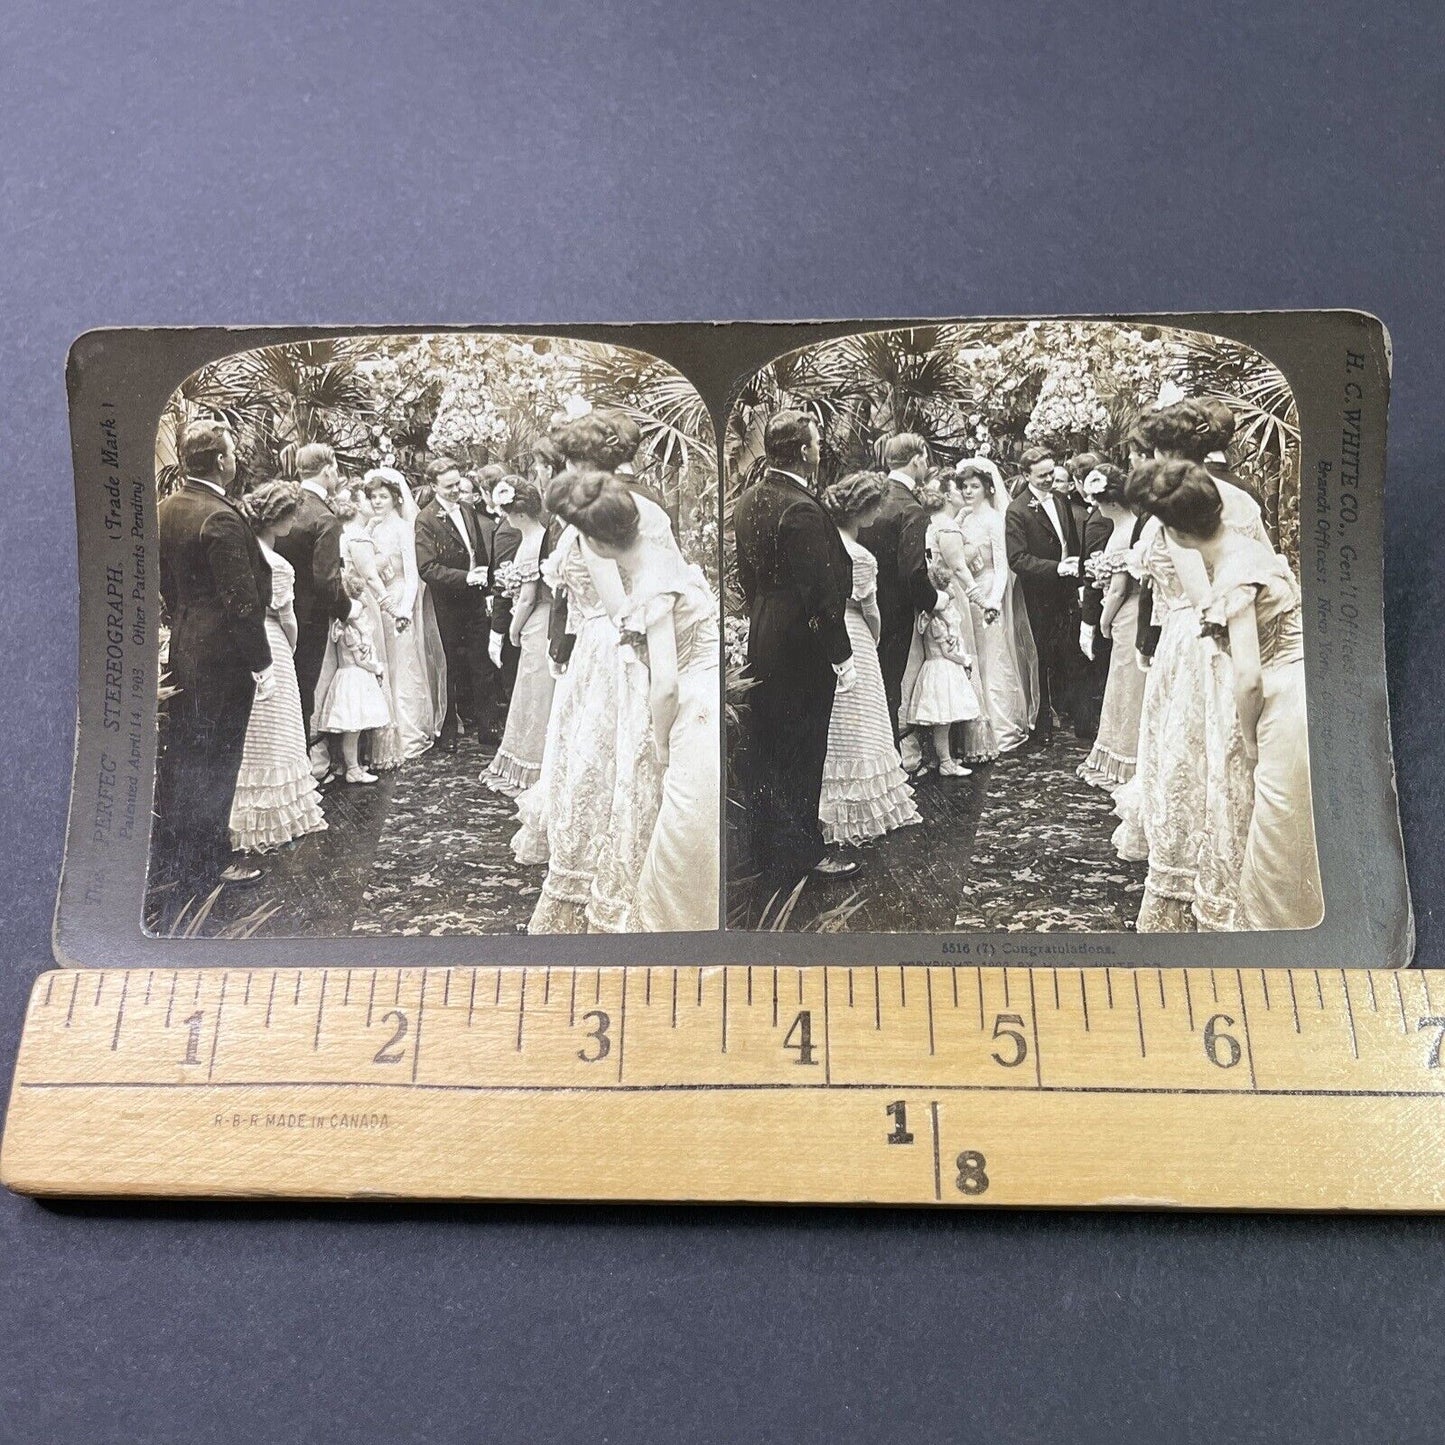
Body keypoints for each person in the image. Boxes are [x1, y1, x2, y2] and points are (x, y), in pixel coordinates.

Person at [1130, 459, 1321, 929]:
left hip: (1283, 703)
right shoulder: (1250, 548)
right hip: (1302, 689)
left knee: (1277, 837)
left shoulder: (1234, 574)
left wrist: (1251, 739)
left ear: (1175, 533)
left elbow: (1249, 676)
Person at [1112, 404, 1274, 932]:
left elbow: (1208, 598)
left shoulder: (1170, 508)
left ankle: (1193, 887)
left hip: (1196, 639)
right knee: (1222, 760)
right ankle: (1231, 877)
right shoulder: (1242, 499)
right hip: (1242, 630)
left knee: (1192, 757)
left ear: (1162, 452)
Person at [512, 410, 675, 931]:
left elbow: (620, 604)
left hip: (612, 647)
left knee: (606, 761)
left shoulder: (604, 513)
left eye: (570, 461)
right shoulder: (637, 504)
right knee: (595, 760)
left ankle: (599, 877)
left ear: (587, 463)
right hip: (596, 650)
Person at [550, 471, 721, 931]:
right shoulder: (667, 558)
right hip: (707, 691)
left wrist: (661, 742)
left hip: (691, 708)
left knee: (682, 836)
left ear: (600, 544)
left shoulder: (649, 589)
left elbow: (664, 685)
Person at [733, 410, 859, 894]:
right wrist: (840, 654)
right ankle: (803, 855)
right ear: (804, 451)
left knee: (771, 745)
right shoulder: (801, 507)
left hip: (765, 633)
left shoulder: (749, 500)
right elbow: (822, 592)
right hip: (802, 644)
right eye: (817, 442)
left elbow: (748, 578)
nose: (821, 449)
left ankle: (770, 852)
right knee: (804, 749)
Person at [153, 421, 275, 904]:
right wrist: (261, 664)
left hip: (186, 645)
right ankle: (210, 861)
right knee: (218, 757)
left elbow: (166, 584)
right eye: (231, 453)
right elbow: (242, 602)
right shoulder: (219, 517)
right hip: (222, 657)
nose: (235, 460)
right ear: (221, 461)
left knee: (189, 754)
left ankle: (180, 857)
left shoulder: (167, 509)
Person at [817, 472, 922, 847]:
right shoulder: (859, 556)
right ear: (862, 511)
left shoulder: (825, 546)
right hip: (855, 634)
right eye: (875, 508)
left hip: (827, 632)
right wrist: (874, 638)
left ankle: (830, 805)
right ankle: (863, 808)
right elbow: (871, 611)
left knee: (838, 720)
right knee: (865, 718)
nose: (878, 515)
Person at [228, 480, 328, 854]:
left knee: (254, 732)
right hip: (272, 643)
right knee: (280, 731)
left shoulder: (241, 550)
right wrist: (292, 644)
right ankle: (278, 820)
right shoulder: (277, 565)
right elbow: (287, 619)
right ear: (281, 519)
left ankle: (245, 818)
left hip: (242, 646)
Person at [857, 433, 949, 756]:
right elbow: (912, 573)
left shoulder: (872, 496)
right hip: (893, 611)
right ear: (917, 459)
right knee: (888, 686)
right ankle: (888, 761)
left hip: (862, 607)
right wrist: (935, 601)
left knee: (870, 685)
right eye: (925, 458)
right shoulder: (910, 508)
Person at [272, 442, 351, 777]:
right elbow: (326, 580)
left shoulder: (284, 506)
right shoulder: (324, 517)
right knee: (303, 691)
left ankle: (287, 767)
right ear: (329, 470)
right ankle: (300, 771)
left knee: (286, 692)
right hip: (310, 618)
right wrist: (348, 610)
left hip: (277, 612)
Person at [954, 459, 1038, 754]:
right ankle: (975, 734)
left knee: (994, 657)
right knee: (974, 657)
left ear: (989, 488)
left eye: (974, 486)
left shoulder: (994, 519)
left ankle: (1001, 730)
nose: (968, 491)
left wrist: (993, 600)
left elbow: (1003, 567)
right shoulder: (962, 519)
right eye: (964, 486)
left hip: (989, 589)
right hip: (967, 592)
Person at [364, 467, 448, 759]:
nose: (377, 502)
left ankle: (409, 735)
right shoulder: (371, 528)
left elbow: (413, 575)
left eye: (383, 496)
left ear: (396, 498)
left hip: (399, 598)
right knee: (384, 665)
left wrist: (405, 610)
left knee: (404, 666)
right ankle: (385, 736)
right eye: (373, 497)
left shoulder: (403, 529)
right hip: (378, 601)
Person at [1004, 445, 1083, 745]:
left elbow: (1070, 542)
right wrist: (1055, 568)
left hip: (1065, 589)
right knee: (1042, 656)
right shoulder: (1018, 510)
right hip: (1038, 594)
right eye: (1041, 476)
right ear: (1026, 475)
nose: (1049, 480)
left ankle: (1073, 715)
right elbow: (1017, 559)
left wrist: (1075, 571)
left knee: (1069, 651)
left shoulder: (1061, 500)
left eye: (1051, 473)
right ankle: (1043, 723)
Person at [414, 457, 494, 751]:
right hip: (447, 603)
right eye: (448, 487)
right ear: (433, 485)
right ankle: (448, 732)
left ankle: (488, 727)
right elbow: (427, 568)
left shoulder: (467, 509)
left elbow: (480, 551)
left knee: (481, 663)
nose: (456, 491)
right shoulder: (426, 519)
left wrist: (485, 580)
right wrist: (465, 577)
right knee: (449, 666)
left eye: (458, 484)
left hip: (474, 599)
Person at [914, 472, 993, 765]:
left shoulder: (942, 524)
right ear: (948, 495)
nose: (965, 493)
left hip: (945, 590)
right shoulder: (946, 527)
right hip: (952, 595)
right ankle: (965, 744)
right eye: (960, 489)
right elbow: (959, 568)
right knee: (959, 655)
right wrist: (982, 600)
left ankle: (949, 745)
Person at [483, 478, 555, 797]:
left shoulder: (531, 542)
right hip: (545, 619)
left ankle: (534, 761)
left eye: (508, 513)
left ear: (520, 514)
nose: (506, 519)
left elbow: (527, 598)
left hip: (537, 621)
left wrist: (513, 629)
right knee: (536, 691)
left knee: (536, 692)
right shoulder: (541, 536)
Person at [1077, 465, 1146, 789]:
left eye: (1098, 500)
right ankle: (1118, 753)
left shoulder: (1125, 529)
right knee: (1122, 685)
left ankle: (1126, 759)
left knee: (1127, 687)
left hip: (1126, 613)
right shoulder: (1125, 525)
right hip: (1127, 613)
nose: (1096, 507)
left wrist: (1103, 622)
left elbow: (1119, 588)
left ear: (1113, 502)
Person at [316, 571, 392, 783]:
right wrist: (377, 668)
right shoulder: (349, 629)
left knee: (355, 729)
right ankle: (352, 768)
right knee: (352, 729)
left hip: (353, 678)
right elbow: (360, 658)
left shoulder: (346, 627)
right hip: (354, 679)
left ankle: (353, 764)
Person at [904, 584, 981, 778]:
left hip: (939, 669)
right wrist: (966, 660)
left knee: (944, 721)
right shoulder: (936, 622)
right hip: (941, 671)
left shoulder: (934, 618)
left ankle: (944, 757)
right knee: (942, 720)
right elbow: (947, 652)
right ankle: (945, 762)